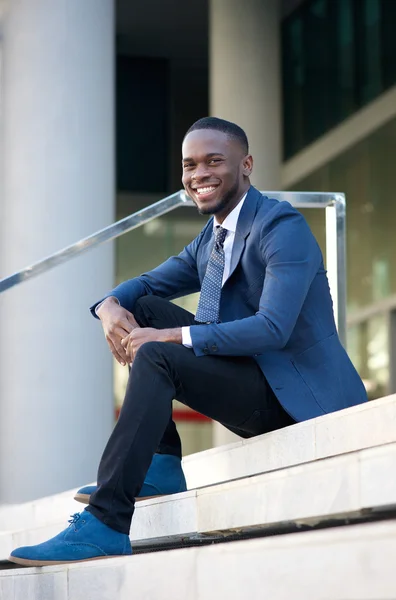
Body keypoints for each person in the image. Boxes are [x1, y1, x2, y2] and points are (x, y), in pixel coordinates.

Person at [9, 117, 367, 566]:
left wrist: (172, 335)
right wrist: (108, 307)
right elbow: (146, 283)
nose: (199, 174)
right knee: (144, 308)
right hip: (252, 380)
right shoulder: (211, 239)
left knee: (159, 349)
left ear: (247, 165)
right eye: (189, 165)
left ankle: (106, 522)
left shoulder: (281, 227)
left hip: (295, 400)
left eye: (214, 161)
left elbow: (272, 328)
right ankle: (161, 463)